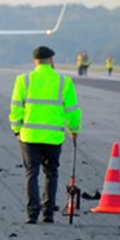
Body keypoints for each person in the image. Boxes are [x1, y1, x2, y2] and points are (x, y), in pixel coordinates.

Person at [9, 46, 81, 224]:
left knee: (31, 174)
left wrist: (16, 129)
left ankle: (31, 214)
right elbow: (72, 110)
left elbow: (16, 108)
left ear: (35, 61)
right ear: (51, 60)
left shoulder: (23, 80)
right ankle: (48, 213)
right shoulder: (64, 82)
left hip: (29, 136)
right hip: (53, 137)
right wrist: (74, 129)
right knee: (51, 173)